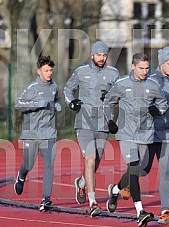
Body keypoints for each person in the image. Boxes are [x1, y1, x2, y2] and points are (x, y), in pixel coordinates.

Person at [103, 53, 168, 227]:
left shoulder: (153, 85)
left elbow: (163, 104)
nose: (145, 71)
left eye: (147, 68)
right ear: (133, 66)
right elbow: (107, 103)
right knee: (133, 168)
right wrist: (110, 121)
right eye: (141, 68)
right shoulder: (121, 84)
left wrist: (158, 111)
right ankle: (140, 212)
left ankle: (115, 190)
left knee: (142, 170)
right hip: (126, 133)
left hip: (146, 134)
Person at [64, 40, 120, 217]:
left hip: (104, 124)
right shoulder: (81, 72)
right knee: (89, 159)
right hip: (85, 122)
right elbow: (67, 89)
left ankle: (81, 183)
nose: (102, 58)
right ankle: (93, 202)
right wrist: (71, 102)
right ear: (92, 55)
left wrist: (114, 102)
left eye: (104, 55)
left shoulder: (113, 73)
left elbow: (120, 94)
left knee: (96, 162)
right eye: (98, 55)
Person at [141, 46, 169, 224]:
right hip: (150, 133)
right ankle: (120, 187)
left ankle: (165, 211)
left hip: (168, 134)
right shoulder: (150, 80)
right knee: (143, 169)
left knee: (166, 172)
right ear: (161, 64)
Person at [13, 55, 61, 212]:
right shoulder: (32, 87)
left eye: (51, 70)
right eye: (46, 70)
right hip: (31, 133)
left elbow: (56, 99)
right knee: (29, 163)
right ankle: (21, 175)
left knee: (49, 164)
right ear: (38, 71)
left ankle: (46, 198)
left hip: (49, 133)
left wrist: (57, 104)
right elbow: (17, 104)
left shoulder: (54, 87)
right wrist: (37, 104)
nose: (49, 73)